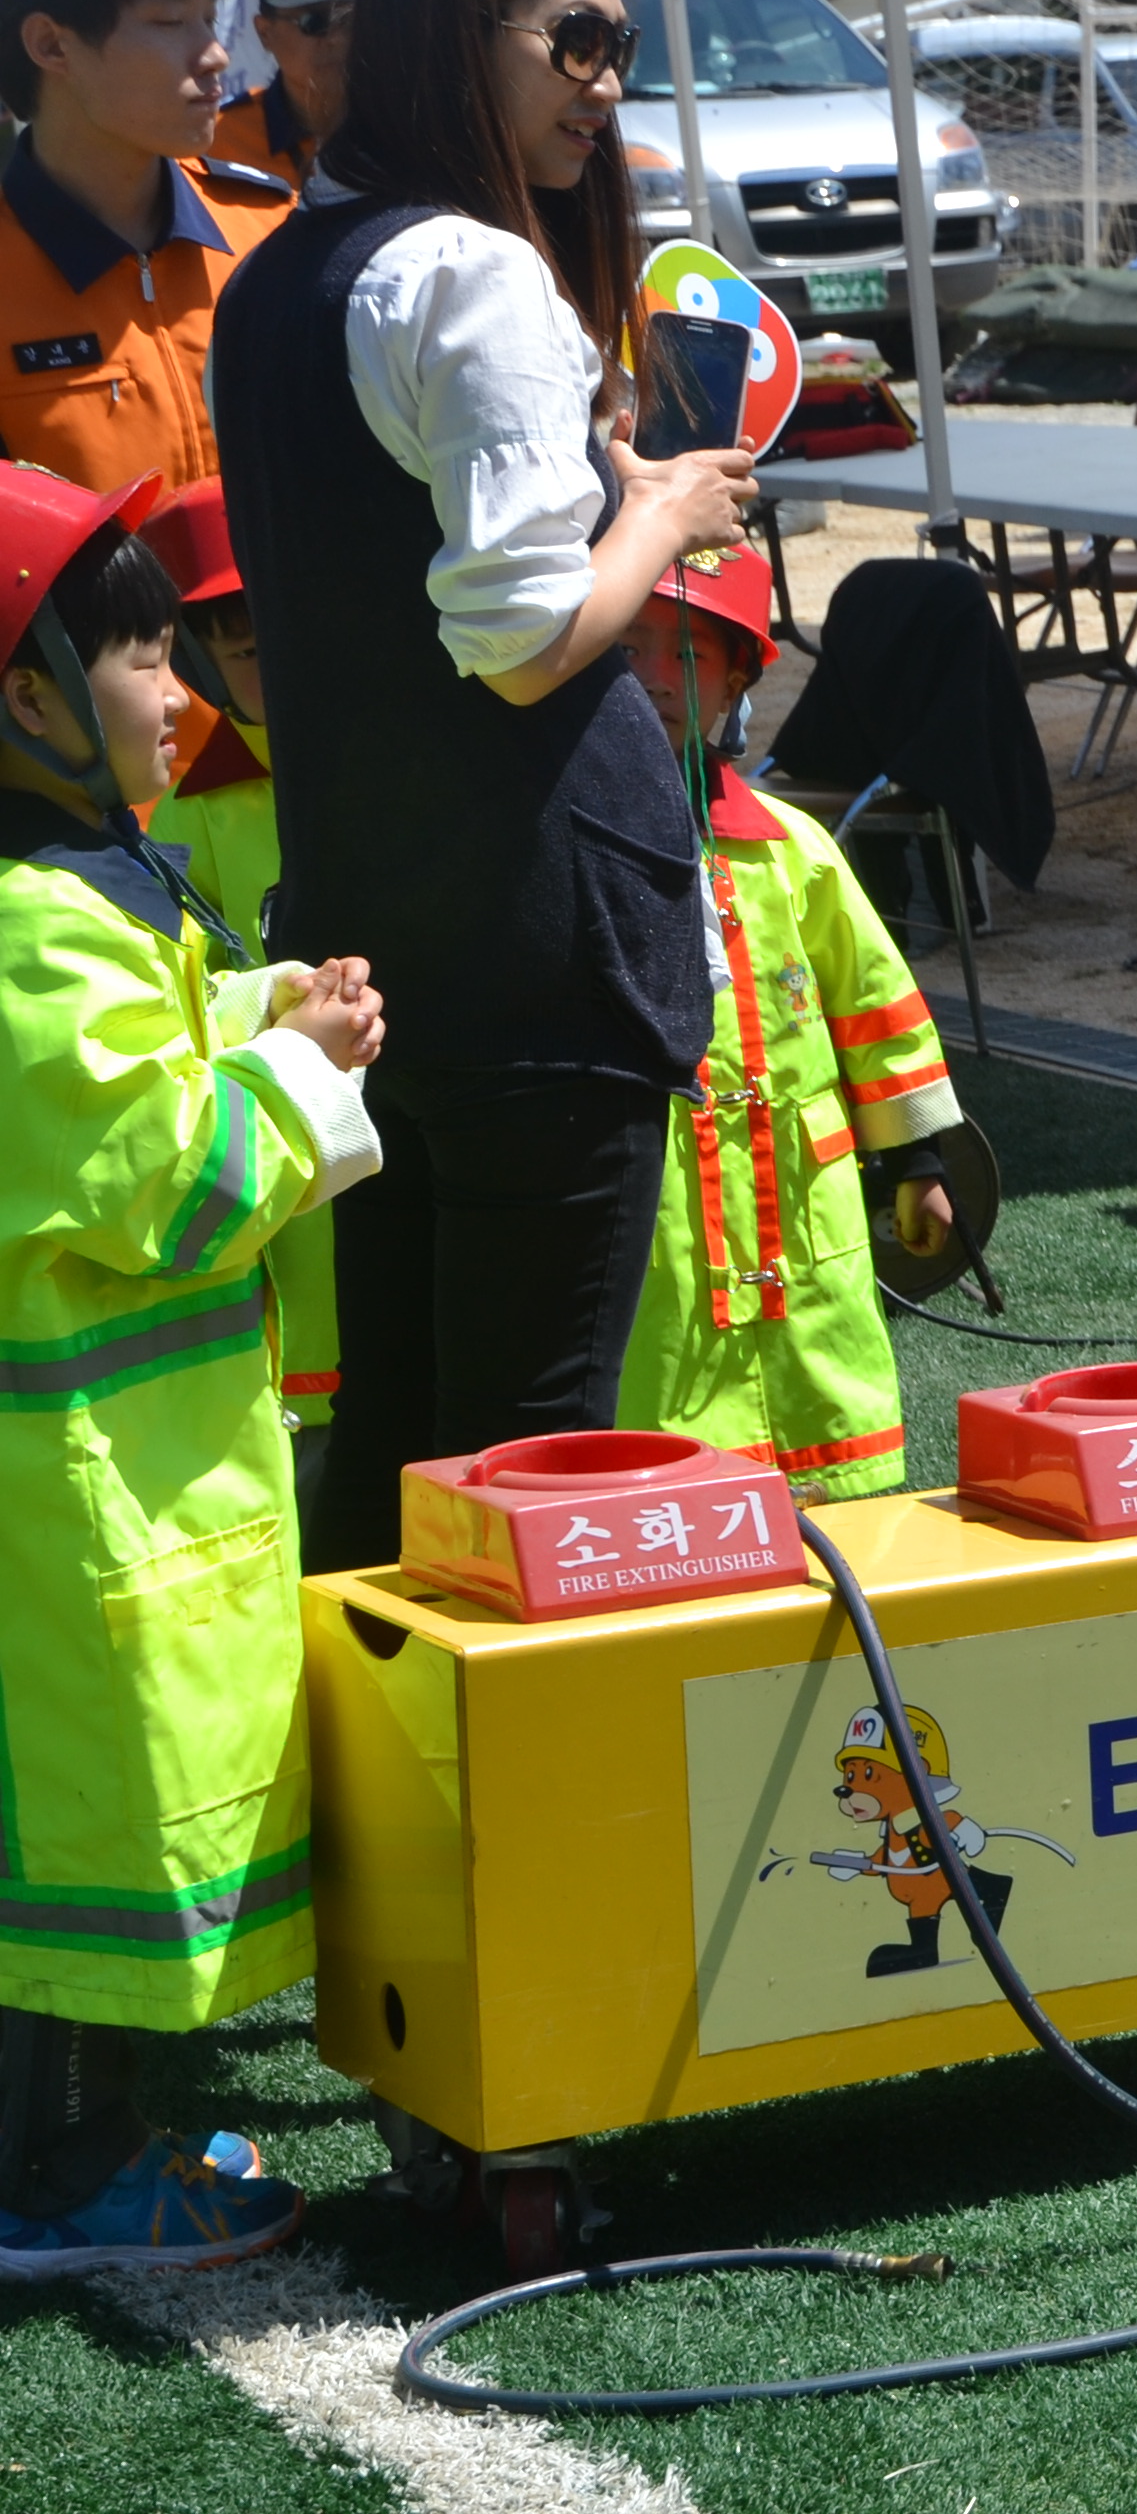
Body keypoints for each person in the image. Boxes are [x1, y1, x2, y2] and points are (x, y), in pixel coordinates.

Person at [213, 0, 756, 1574]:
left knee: (394, 1439)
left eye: (622, 45)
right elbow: (522, 645)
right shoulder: (472, 272)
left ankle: (349, 1760)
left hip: (374, 936)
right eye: (577, 39)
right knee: (529, 1459)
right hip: (540, 942)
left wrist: (615, 493)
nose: (607, 82)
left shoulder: (276, 275)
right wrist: (668, 516)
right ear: (460, 34)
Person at [0, 465, 384, 2275]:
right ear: (29, 699)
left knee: (80, 1835)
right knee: (67, 1857)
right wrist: (303, 1071)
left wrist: (261, 1011)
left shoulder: (70, 898)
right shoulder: (29, 928)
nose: (183, 695)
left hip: (108, 1487)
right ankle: (56, 2172)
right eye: (145, 660)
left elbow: (128, 1077)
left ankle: (75, 2144)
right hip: (67, 1506)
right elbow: (175, 1184)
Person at [610, 539, 965, 1498]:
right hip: (666, 1219)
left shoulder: (793, 850)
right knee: (671, 1469)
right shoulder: (573, 843)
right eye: (630, 647)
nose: (657, 676)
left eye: (690, 655)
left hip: (806, 1216)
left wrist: (919, 1162)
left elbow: (877, 1010)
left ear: (735, 683)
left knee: (833, 1462)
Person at [133, 482, 338, 1451]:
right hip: (294, 1133)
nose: (270, 658)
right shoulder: (193, 810)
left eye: (284, 629)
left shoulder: (400, 758)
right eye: (240, 646)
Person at [0, 0, 291, 501]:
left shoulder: (277, 234)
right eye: (169, 21)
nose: (215, 54)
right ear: (51, 46)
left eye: (210, 17)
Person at [208, 0, 355, 191]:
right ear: (265, 32)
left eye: (348, 20)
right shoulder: (216, 141)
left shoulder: (405, 129)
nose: (335, 38)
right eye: (314, 22)